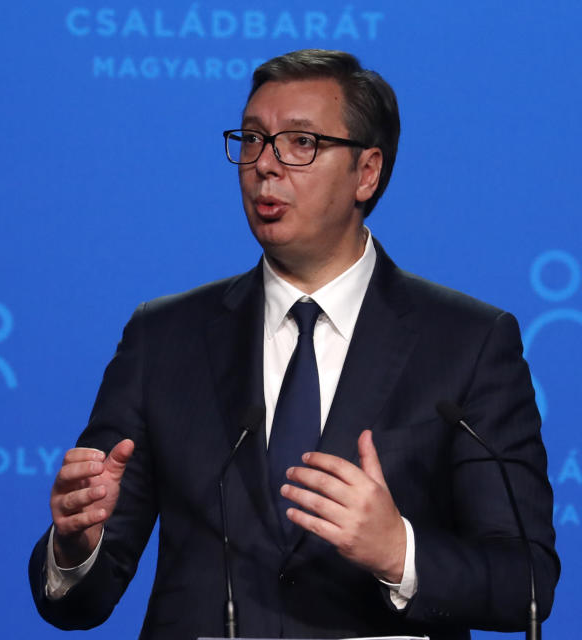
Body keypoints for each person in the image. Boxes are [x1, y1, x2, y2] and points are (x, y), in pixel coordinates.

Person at [28, 49, 559, 640]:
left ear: (367, 172)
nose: (265, 166)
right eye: (252, 140)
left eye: (300, 143)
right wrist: (76, 545)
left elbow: (525, 583)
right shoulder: (163, 337)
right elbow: (78, 603)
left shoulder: (468, 343)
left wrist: (397, 552)